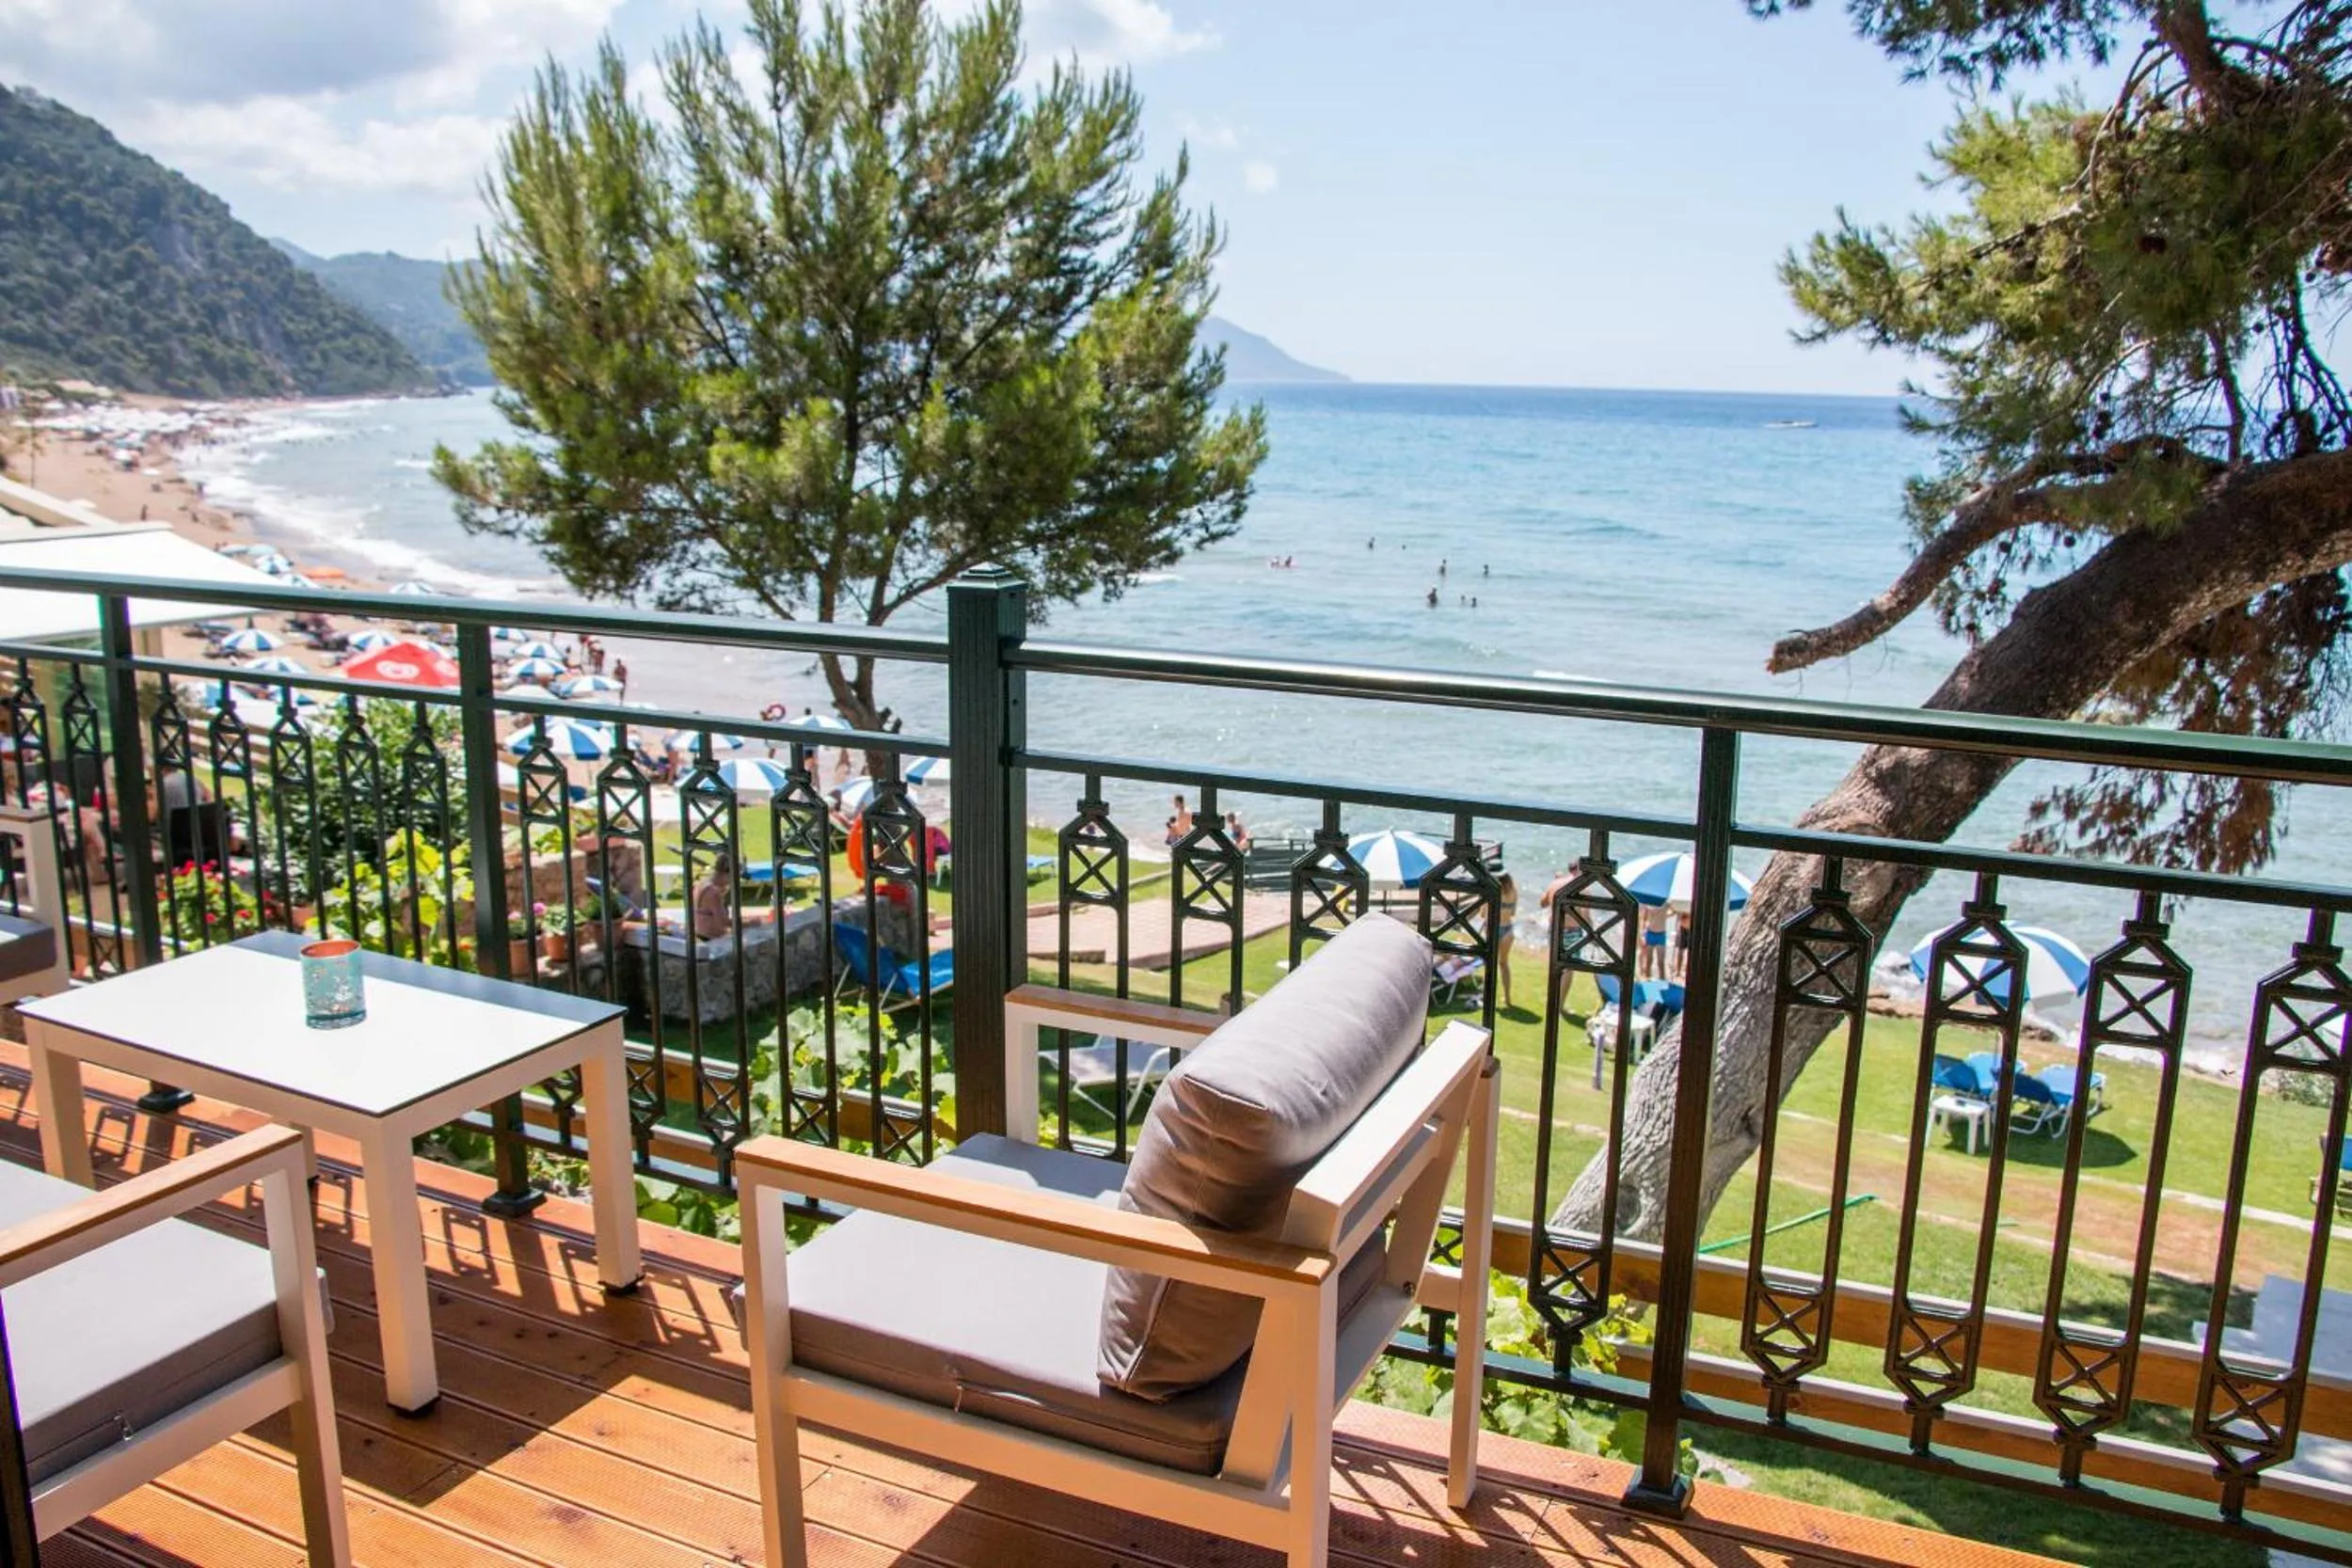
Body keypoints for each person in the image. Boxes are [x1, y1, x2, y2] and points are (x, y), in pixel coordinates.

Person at [1492, 873, 1518, 1010]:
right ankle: (1507, 998)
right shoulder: (1513, 892)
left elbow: (1483, 914)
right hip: (1508, 929)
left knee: (1491, 964)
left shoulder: (1493, 891)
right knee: (1504, 964)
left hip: (1494, 929)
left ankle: (1488, 997)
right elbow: (1513, 913)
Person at [1639, 901, 1671, 979]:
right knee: (1649, 959)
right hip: (1650, 934)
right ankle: (1647, 978)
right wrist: (1643, 934)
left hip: (1661, 934)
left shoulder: (1666, 903)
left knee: (1661, 961)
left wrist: (1666, 916)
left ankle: (1662, 979)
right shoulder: (1649, 904)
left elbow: (1674, 910)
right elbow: (1644, 918)